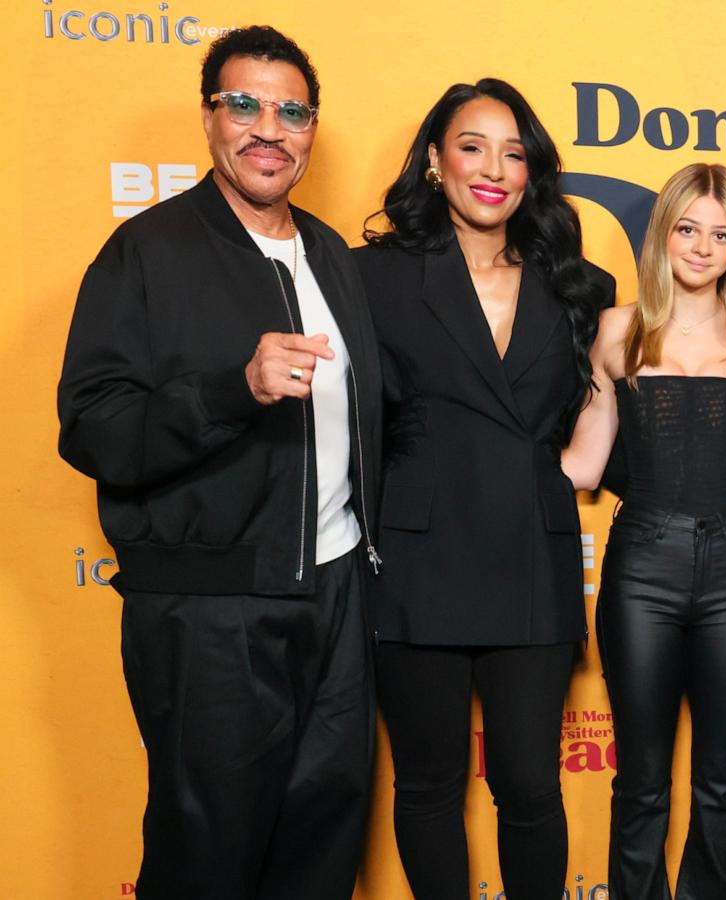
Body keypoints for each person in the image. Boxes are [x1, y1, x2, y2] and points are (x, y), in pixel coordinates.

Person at [57, 26, 379, 900]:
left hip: (337, 592)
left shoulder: (332, 257)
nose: (267, 129)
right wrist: (231, 388)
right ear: (209, 120)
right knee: (208, 851)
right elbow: (92, 428)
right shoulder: (148, 253)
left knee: (324, 838)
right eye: (244, 104)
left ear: (312, 128)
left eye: (291, 111)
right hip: (210, 608)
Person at [354, 79, 613, 899]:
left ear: (533, 171)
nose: (493, 168)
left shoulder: (581, 287)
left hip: (530, 554)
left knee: (531, 785)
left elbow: (611, 415)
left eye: (515, 152)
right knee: (428, 784)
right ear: (436, 160)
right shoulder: (371, 276)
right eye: (473, 146)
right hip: (416, 551)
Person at [560, 162, 726, 900]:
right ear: (663, 234)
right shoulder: (619, 330)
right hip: (640, 567)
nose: (703, 247)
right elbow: (585, 462)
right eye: (688, 229)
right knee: (643, 778)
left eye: (721, 234)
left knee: (722, 776)